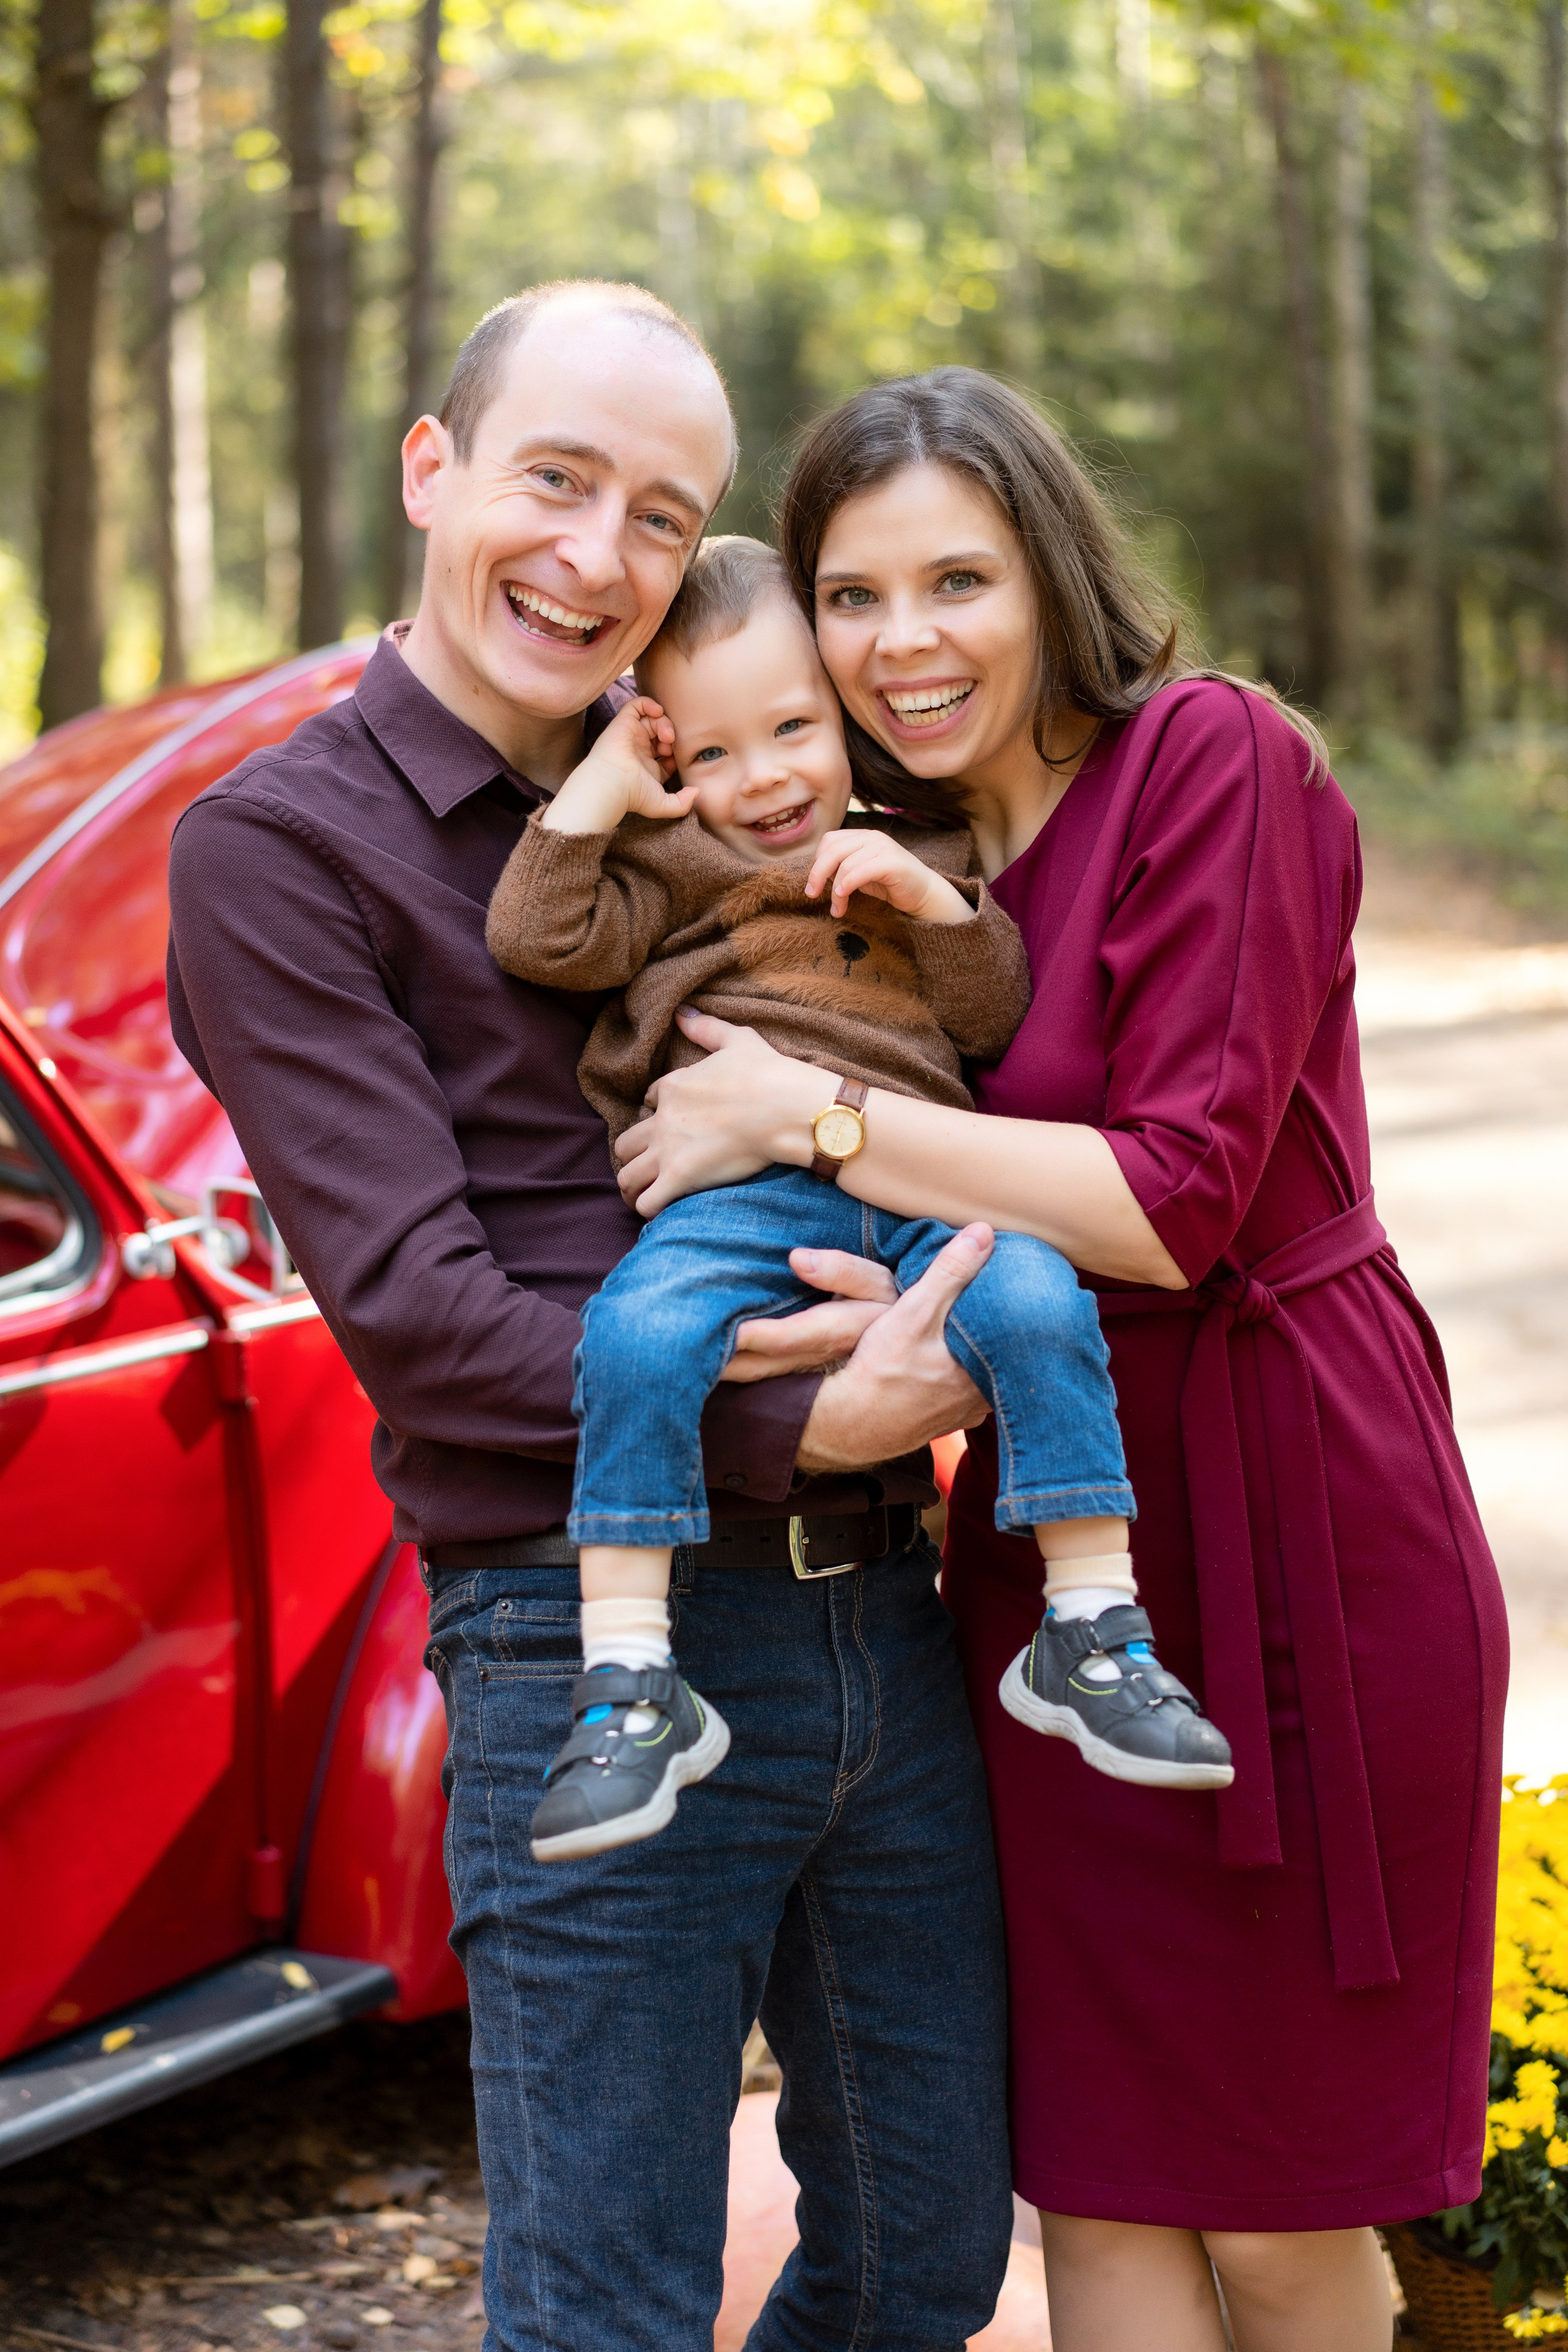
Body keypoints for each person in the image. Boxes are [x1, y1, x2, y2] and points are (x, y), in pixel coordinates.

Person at [612, 366, 1509, 2352]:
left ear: (1052, 570)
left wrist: (807, 1122)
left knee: (1275, 2214)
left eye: (959, 581)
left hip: (1297, 1540)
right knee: (1097, 2190)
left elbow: (1177, 1193)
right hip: (1049, 1558)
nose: (904, 643)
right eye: (853, 597)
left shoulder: (1216, 762)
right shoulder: (880, 862)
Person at [165, 292, 1017, 2352]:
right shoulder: (284, 851)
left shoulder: (745, 802)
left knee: (929, 2263)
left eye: (661, 513)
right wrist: (796, 1425)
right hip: (585, 1630)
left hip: (882, 1615)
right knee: (609, 2310)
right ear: (430, 470)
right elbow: (428, 1319)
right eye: (554, 478)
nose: (597, 553)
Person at [484, 532, 1233, 1860]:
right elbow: (539, 938)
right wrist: (601, 791)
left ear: (839, 716)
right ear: (667, 758)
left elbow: (993, 1012)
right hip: (735, 1204)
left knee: (1037, 1297)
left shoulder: (910, 853)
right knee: (637, 1337)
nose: (761, 778)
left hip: (912, 1180)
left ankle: (1090, 1625)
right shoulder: (666, 867)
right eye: (711, 753)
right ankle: (629, 1681)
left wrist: (938, 912)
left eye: (790, 729)